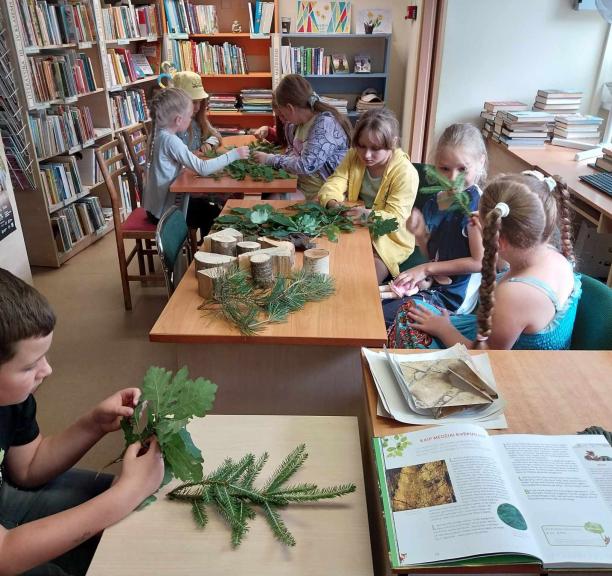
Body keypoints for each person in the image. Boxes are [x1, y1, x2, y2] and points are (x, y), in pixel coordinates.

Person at [0, 268, 165, 575]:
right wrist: (127, 492)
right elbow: (5, 554)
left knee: (137, 519)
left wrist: (93, 424)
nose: (46, 371)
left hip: (8, 500)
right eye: (29, 366)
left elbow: (28, 468)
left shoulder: (11, 398)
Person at [390, 171, 582, 350]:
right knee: (412, 310)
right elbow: (502, 267)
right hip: (495, 334)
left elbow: (487, 356)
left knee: (406, 319)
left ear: (500, 241)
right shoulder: (553, 256)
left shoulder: (515, 294)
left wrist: (443, 329)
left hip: (507, 367)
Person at [382, 123, 487, 326]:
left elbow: (479, 262)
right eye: (444, 169)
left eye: (462, 169)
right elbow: (434, 253)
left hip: (453, 299)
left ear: (480, 162)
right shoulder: (435, 201)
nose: (452, 178)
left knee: (383, 319)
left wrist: (426, 269)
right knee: (374, 305)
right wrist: (420, 235)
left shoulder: (476, 208)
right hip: (433, 286)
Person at [318, 108, 419, 283]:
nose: (366, 154)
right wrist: (332, 202)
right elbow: (335, 182)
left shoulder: (405, 172)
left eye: (375, 148)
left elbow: (396, 218)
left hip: (389, 240)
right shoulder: (353, 156)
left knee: (364, 281)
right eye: (362, 146)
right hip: (355, 227)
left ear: (393, 143)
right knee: (327, 265)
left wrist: (369, 216)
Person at [143, 87, 249, 227]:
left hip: (155, 209)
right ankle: (209, 248)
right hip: (166, 215)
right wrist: (235, 154)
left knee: (208, 204)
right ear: (179, 119)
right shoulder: (171, 140)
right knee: (216, 216)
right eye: (189, 117)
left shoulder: (158, 134)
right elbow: (203, 168)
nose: (190, 120)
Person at [250, 74, 351, 201]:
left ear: (290, 108)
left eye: (282, 113)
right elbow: (293, 150)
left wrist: (270, 159)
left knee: (271, 205)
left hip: (326, 193)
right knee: (268, 200)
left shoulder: (324, 124)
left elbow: (306, 165)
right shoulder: (297, 124)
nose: (283, 120)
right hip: (303, 186)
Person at [171, 71, 225, 235]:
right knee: (217, 212)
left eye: (199, 102)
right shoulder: (170, 128)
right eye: (192, 102)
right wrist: (190, 156)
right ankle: (207, 248)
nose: (196, 107)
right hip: (176, 199)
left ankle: (210, 244)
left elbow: (216, 136)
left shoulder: (196, 119)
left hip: (193, 184)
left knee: (225, 199)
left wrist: (208, 143)